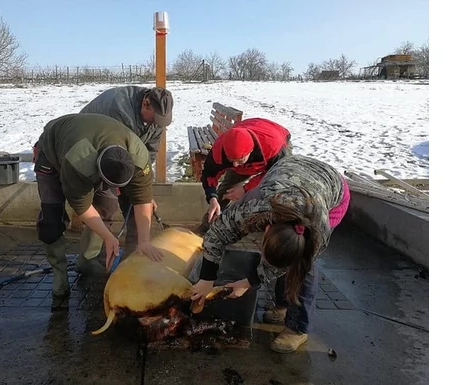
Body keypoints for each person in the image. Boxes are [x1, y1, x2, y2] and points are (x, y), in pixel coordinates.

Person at [191, 154, 351, 353]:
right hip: (292, 169)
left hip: (333, 191)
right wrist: (207, 278)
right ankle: (282, 305)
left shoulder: (318, 230)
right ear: (266, 229)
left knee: (302, 267)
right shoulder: (253, 208)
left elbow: (288, 259)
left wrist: (249, 281)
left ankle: (297, 327)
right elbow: (217, 233)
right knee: (284, 256)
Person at [33, 113, 164, 310]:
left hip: (96, 145)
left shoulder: (138, 155)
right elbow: (82, 207)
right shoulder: (78, 161)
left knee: (107, 206)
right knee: (52, 219)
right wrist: (109, 237)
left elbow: (143, 199)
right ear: (99, 171)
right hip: (53, 152)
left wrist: (144, 240)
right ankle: (59, 273)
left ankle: (86, 261)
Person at [79, 86, 174, 255]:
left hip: (124, 158)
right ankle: (91, 261)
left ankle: (133, 260)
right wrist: (131, 190)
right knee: (105, 205)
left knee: (139, 208)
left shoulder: (156, 118)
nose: (156, 124)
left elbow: (148, 154)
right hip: (95, 156)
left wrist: (144, 192)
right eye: (155, 119)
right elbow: (117, 156)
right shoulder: (120, 110)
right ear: (145, 104)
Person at [196, 117, 292, 234]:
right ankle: (207, 227)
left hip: (275, 142)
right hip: (249, 139)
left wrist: (246, 189)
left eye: (239, 160)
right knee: (227, 190)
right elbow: (209, 175)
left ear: (250, 151)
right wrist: (212, 198)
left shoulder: (274, 148)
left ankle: (270, 231)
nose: (235, 165)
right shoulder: (219, 150)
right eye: (231, 160)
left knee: (270, 191)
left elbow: (276, 174)